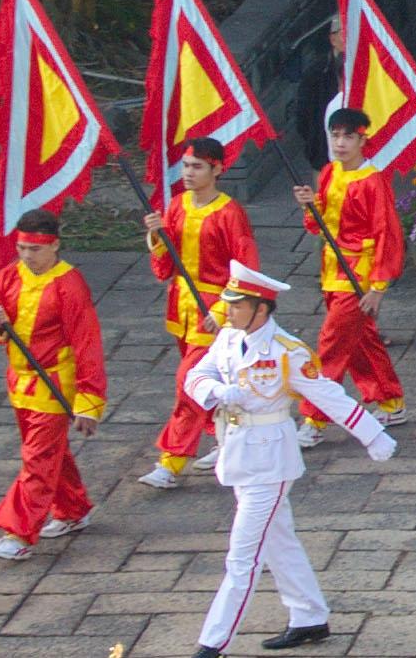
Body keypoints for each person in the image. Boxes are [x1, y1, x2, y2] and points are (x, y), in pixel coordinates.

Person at [182, 262, 396, 658]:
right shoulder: (229, 338)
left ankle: (213, 643)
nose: (227, 310)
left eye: (237, 304)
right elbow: (196, 375)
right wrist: (216, 390)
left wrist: (372, 433)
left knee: (242, 557)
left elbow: (327, 394)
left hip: (270, 460)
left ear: (261, 309)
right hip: (238, 452)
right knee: (279, 541)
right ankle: (309, 616)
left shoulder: (286, 352)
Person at [0, 210, 105, 561]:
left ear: (54, 246)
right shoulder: (7, 278)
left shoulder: (70, 285)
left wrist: (89, 399)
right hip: (19, 381)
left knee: (37, 458)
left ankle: (18, 531)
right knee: (51, 453)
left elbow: (87, 343)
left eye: (34, 249)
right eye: (21, 248)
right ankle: (73, 509)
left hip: (54, 383)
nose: (26, 255)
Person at [141, 136, 260, 489]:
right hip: (182, 307)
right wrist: (157, 238)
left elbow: (245, 269)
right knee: (211, 385)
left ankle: (171, 460)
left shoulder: (230, 213)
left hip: (213, 310)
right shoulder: (177, 205)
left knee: (189, 381)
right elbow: (165, 267)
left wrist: (225, 309)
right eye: (186, 165)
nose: (188, 173)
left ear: (217, 169)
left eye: (197, 167)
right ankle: (227, 439)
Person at [290, 108, 406, 444]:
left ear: (363, 139)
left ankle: (314, 419)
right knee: (360, 341)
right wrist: (310, 205)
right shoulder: (329, 173)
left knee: (330, 345)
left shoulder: (373, 181)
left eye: (348, 137)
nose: (340, 143)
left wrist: (379, 286)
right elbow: (319, 226)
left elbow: (388, 234)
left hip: (359, 276)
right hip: (332, 270)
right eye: (335, 136)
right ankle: (390, 399)